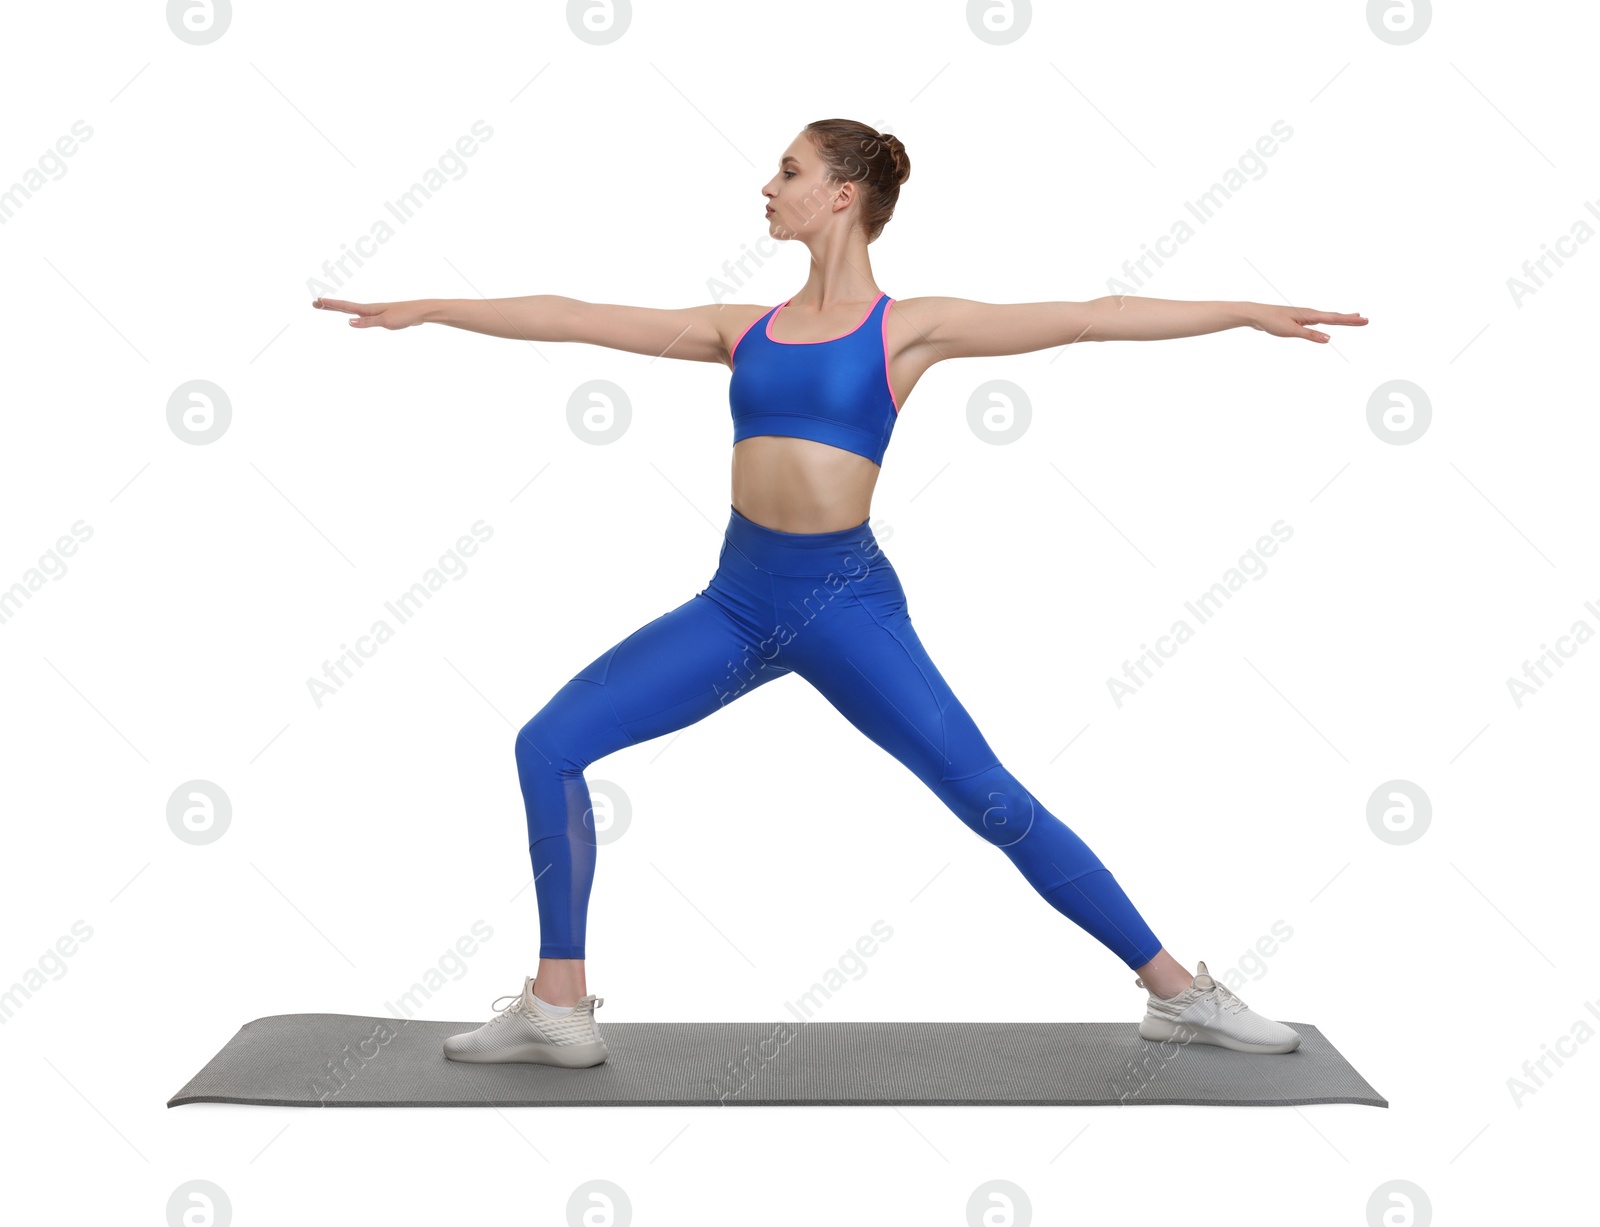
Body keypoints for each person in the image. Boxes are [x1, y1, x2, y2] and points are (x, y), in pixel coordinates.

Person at [314, 119, 1366, 1071]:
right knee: (547, 745)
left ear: (842, 196)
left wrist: (1241, 312)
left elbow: (1089, 318)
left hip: (842, 607)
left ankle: (1178, 994)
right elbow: (579, 316)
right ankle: (557, 1004)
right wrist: (437, 309)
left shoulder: (909, 329)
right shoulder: (744, 328)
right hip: (734, 605)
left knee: (985, 795)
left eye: (788, 170)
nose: (765, 186)